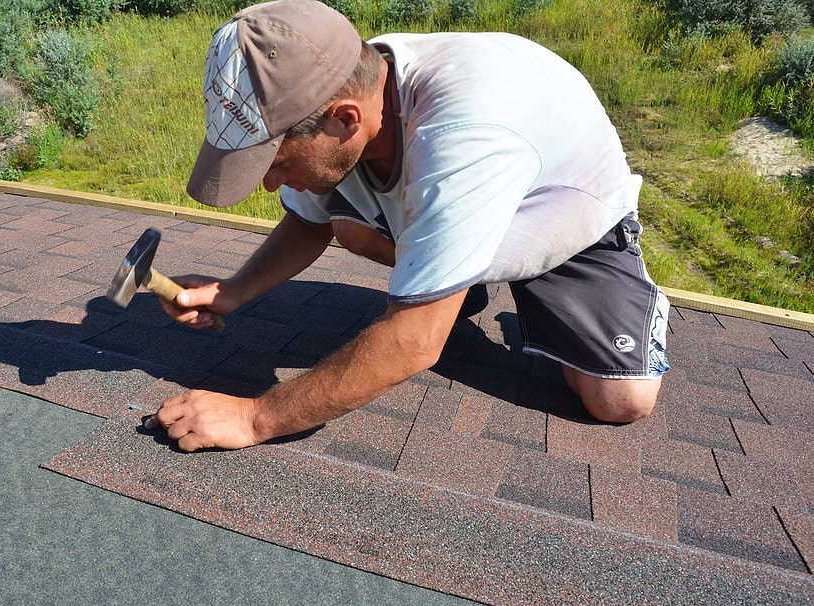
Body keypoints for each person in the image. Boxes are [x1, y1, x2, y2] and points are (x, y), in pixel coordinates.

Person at [144, 0, 671, 452]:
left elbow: (417, 342)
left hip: (565, 217)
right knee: (345, 221)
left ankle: (460, 280)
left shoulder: (465, 131)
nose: (267, 184)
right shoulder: (343, 80)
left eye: (276, 163)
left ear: (345, 120)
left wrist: (253, 418)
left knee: (618, 400)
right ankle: (453, 278)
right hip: (460, 197)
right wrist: (233, 290)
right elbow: (308, 224)